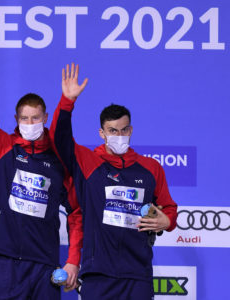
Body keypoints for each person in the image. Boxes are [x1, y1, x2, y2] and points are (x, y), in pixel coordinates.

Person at [0, 29, 83, 299]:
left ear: (45, 118)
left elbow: (77, 213)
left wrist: (73, 259)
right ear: (16, 119)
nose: (30, 124)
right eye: (25, 118)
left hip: (45, 263)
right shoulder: (4, 147)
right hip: (6, 260)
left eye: (36, 118)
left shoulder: (58, 160)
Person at [52, 63, 178, 299]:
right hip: (98, 275)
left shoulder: (151, 168)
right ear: (102, 133)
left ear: (130, 130)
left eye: (123, 130)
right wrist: (67, 102)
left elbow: (169, 209)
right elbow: (59, 139)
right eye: (112, 131)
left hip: (138, 275)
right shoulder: (89, 163)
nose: (118, 136)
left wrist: (167, 221)